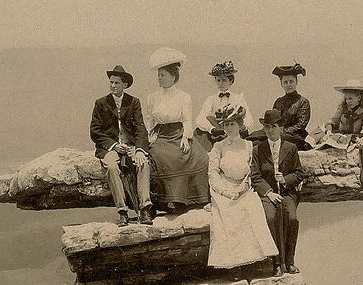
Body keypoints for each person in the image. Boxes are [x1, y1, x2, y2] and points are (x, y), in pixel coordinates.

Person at [206, 105, 278, 277]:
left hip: (244, 187)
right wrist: (225, 191)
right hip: (224, 189)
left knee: (252, 211)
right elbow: (213, 172)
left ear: (240, 125)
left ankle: (252, 263)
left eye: (232, 124)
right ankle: (234, 265)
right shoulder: (218, 147)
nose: (229, 128)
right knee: (228, 217)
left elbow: (252, 170)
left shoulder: (248, 145)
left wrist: (243, 187)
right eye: (226, 125)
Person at [145, 47, 210, 213]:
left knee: (198, 156)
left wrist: (186, 137)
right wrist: (149, 136)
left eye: (163, 75)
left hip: (178, 133)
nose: (159, 78)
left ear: (173, 77)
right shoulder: (152, 97)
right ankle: (166, 200)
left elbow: (187, 119)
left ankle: (188, 200)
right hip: (161, 135)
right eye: (158, 75)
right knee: (162, 157)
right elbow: (150, 120)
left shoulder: (183, 96)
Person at [90, 65, 154, 226]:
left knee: (143, 163)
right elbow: (95, 132)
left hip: (131, 146)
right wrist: (113, 146)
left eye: (117, 83)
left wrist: (139, 150)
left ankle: (145, 209)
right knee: (111, 167)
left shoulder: (133, 102)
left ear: (124, 85)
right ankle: (122, 211)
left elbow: (140, 129)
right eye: (111, 82)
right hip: (110, 148)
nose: (113, 86)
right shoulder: (101, 103)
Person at [251, 109, 304, 277]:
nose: (270, 130)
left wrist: (285, 180)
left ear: (280, 127)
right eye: (267, 127)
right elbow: (255, 176)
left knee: (292, 218)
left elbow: (299, 173)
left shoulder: (291, 148)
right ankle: (276, 263)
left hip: (287, 193)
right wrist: (268, 192)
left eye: (273, 126)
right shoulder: (258, 150)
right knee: (270, 218)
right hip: (269, 195)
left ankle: (290, 261)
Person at [325, 80, 363, 193]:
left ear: (359, 98)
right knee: (319, 133)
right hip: (342, 136)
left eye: (351, 98)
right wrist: (329, 130)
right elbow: (333, 121)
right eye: (346, 98)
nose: (348, 101)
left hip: (358, 137)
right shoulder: (342, 109)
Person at [194, 61, 254, 151]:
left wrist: (242, 127)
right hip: (217, 134)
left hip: (234, 131)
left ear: (231, 81)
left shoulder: (238, 98)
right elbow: (200, 119)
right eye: (218, 80)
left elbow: (248, 119)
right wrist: (212, 129)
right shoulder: (211, 99)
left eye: (224, 80)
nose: (220, 84)